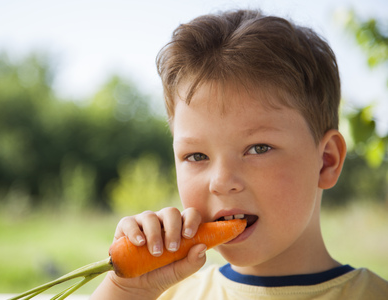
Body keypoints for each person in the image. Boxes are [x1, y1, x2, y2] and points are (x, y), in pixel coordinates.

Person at [90, 9, 388, 299]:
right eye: (196, 156)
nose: (221, 181)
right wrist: (125, 292)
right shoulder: (162, 294)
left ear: (327, 161)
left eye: (258, 148)